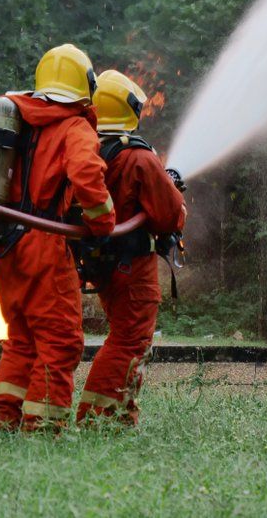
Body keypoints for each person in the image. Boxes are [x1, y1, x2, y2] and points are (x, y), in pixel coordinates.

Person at [0, 44, 116, 433]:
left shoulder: (21, 117)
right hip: (43, 242)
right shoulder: (73, 125)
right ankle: (43, 428)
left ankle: (4, 420)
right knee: (60, 340)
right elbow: (87, 176)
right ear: (86, 87)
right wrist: (103, 221)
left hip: (3, 242)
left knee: (22, 337)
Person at [77, 70, 186, 425]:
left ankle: (119, 414)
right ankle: (98, 417)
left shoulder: (89, 149)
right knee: (129, 340)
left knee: (124, 337)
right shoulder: (137, 157)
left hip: (105, 264)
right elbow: (169, 216)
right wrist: (176, 197)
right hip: (132, 267)